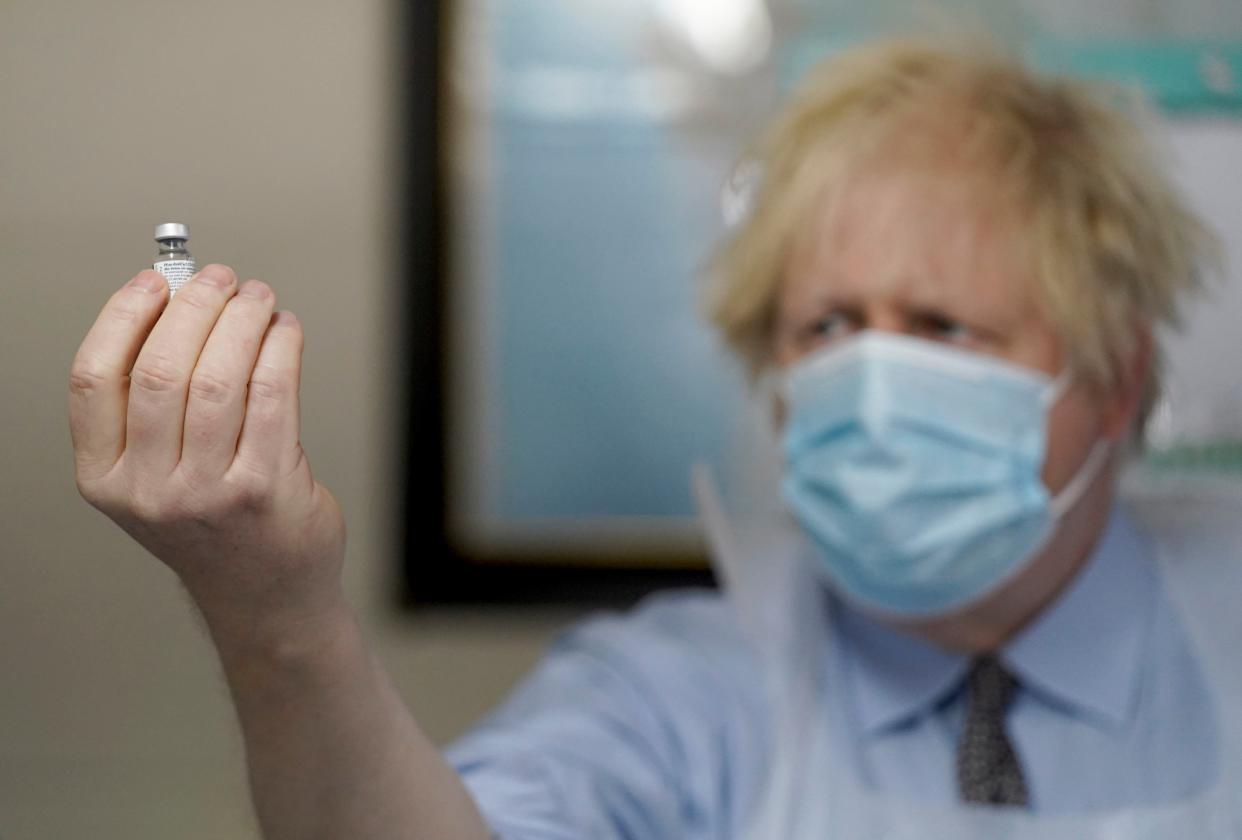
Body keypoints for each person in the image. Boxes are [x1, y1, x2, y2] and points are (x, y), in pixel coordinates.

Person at [68, 36, 1241, 840]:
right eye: (827, 325)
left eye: (943, 327)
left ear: (1117, 367)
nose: (874, 382)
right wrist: (277, 614)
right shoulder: (682, 685)